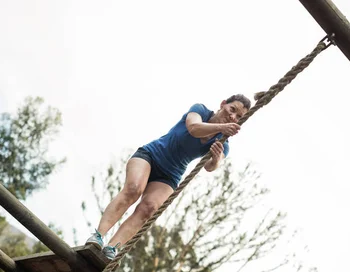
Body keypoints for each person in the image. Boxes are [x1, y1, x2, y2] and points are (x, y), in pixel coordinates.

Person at [86, 94, 251, 259]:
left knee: (149, 208)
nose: (232, 116)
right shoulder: (200, 110)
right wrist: (221, 128)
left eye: (238, 117)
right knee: (133, 189)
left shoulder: (223, 143)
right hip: (150, 156)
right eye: (232, 109)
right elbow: (194, 128)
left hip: (170, 175)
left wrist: (215, 158)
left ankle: (112, 248)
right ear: (223, 104)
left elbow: (211, 166)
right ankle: (98, 236)